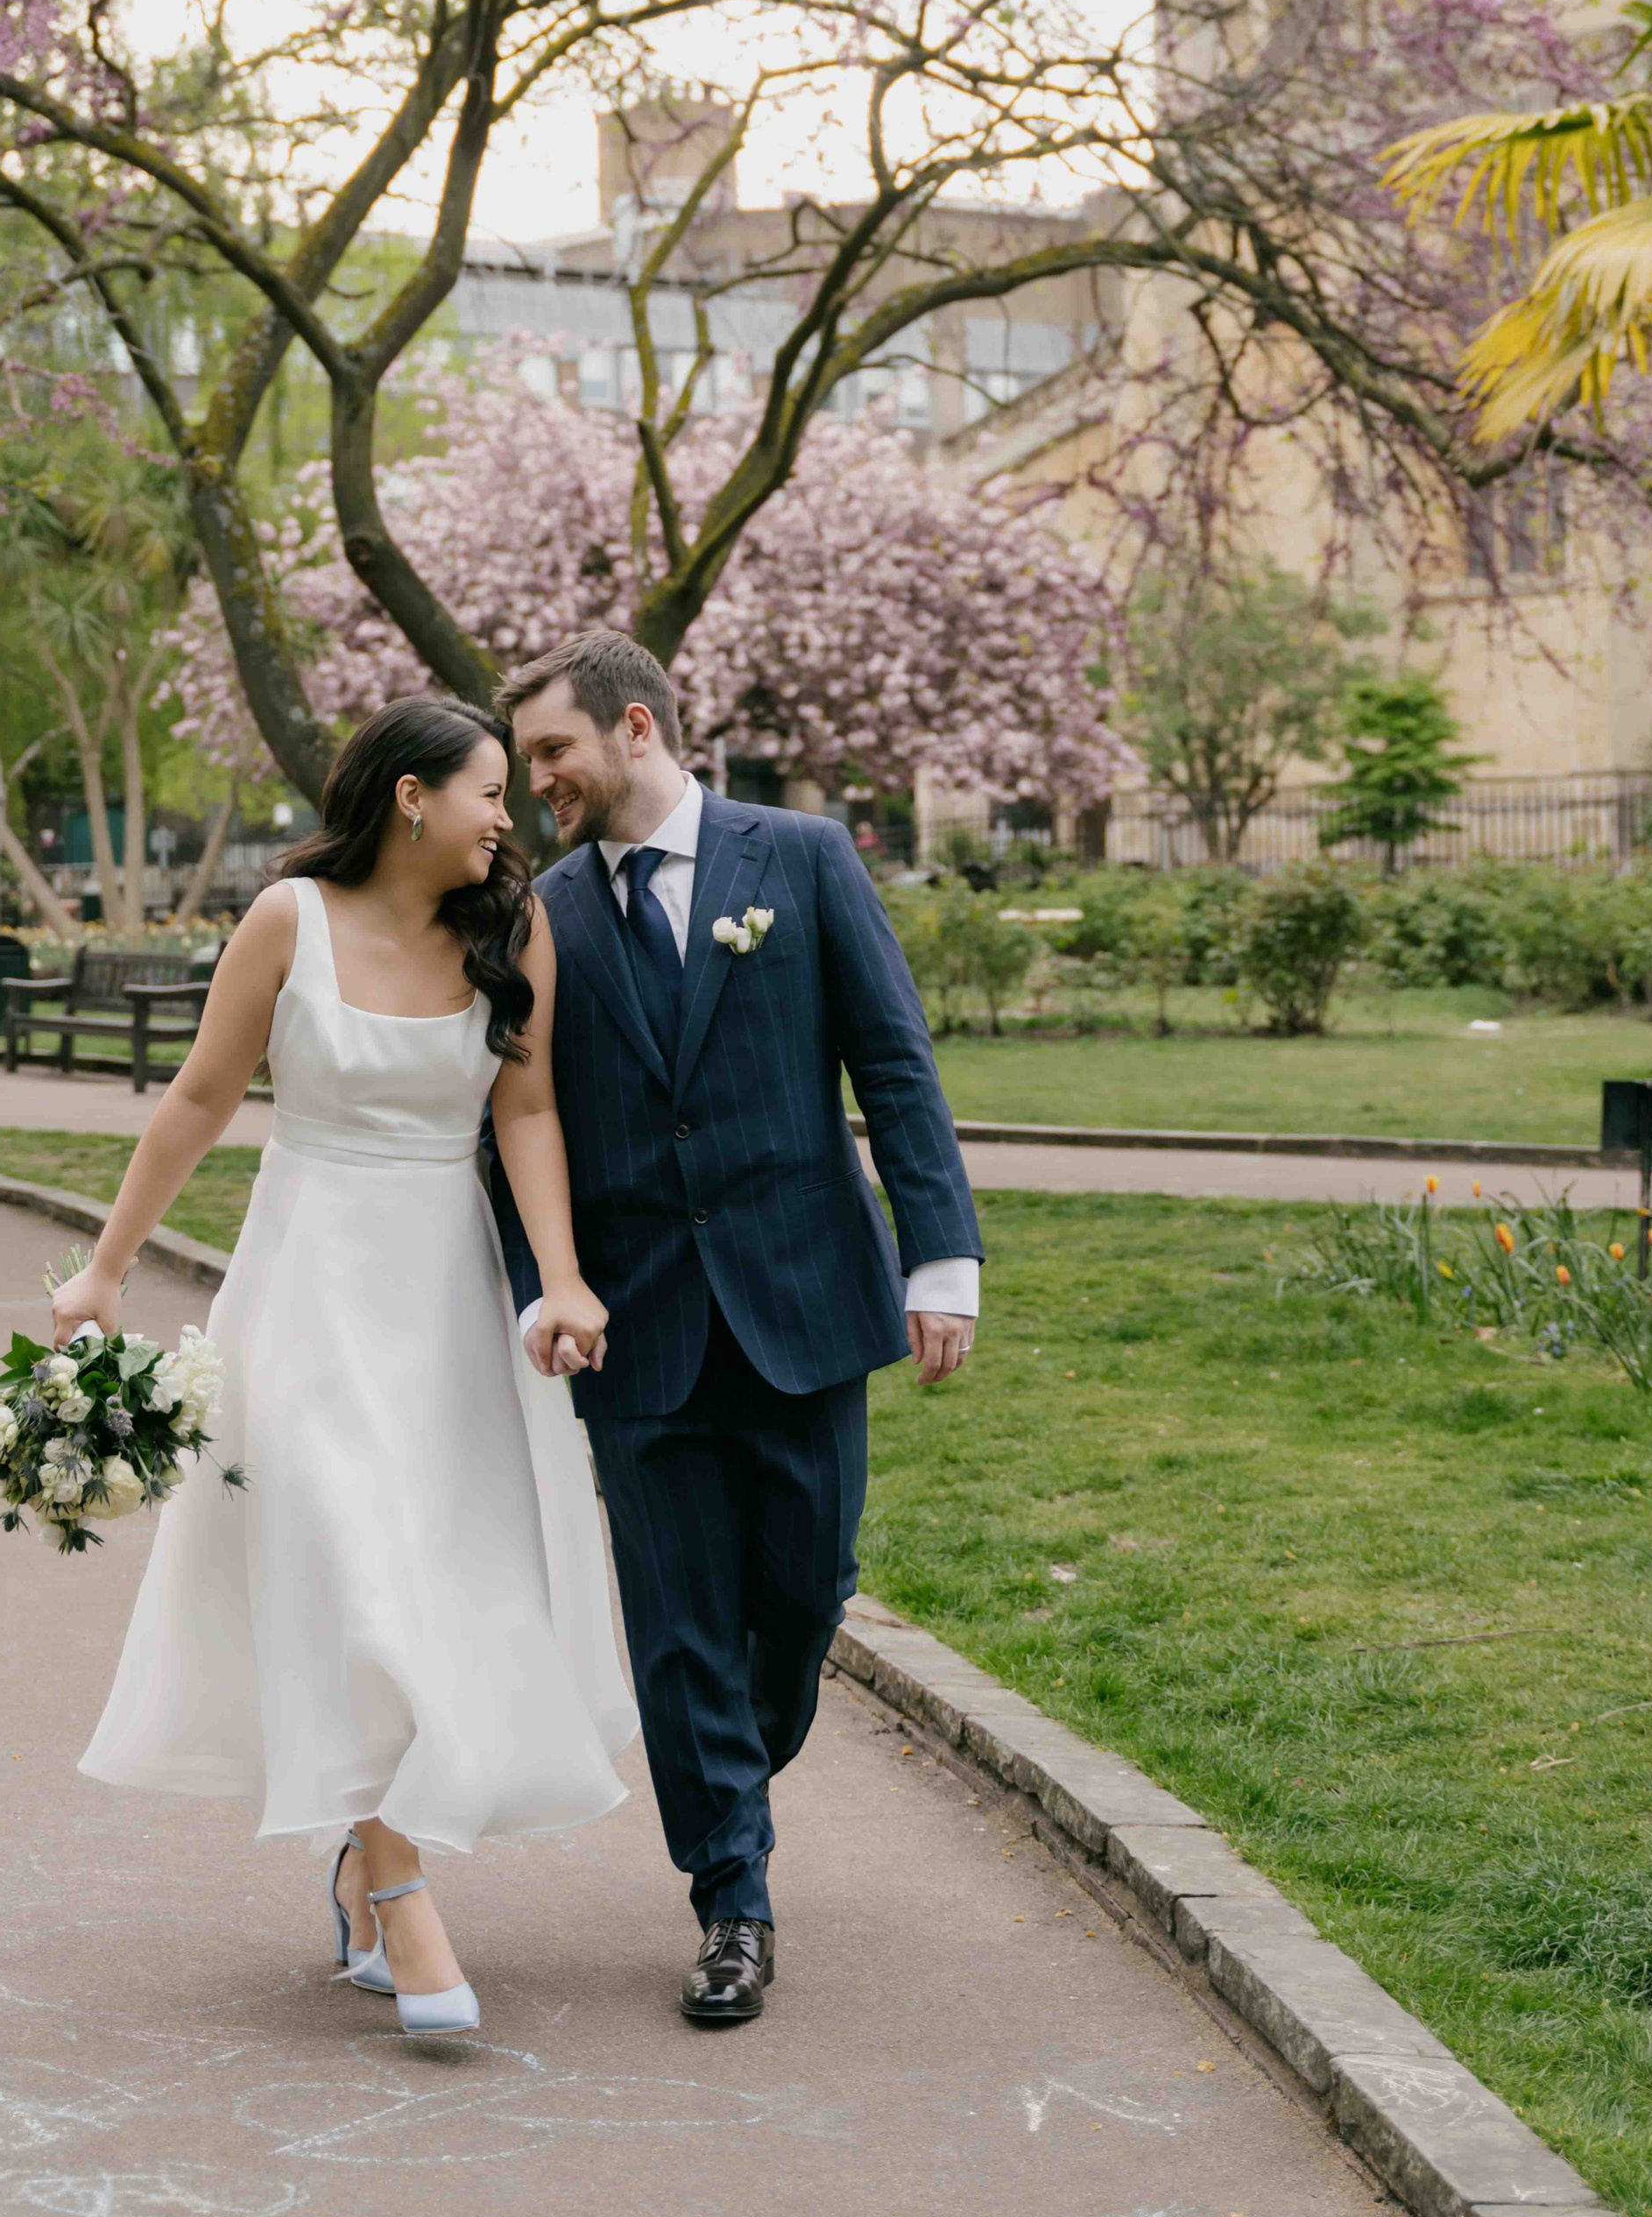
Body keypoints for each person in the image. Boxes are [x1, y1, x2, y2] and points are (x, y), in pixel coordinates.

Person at [53, 695, 636, 2035]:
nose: (510, 813)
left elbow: (527, 1104)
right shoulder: (287, 922)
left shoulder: (512, 925)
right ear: (411, 797)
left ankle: (365, 1863)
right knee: (346, 1567)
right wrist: (102, 1268)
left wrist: (560, 1276)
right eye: (488, 789)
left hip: (443, 1291)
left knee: (435, 1580)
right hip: (306, 1282)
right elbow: (201, 1097)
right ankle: (408, 1892)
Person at [495, 630, 981, 2029]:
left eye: (553, 753)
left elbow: (893, 1060)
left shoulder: (804, 859)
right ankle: (732, 1897)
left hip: (806, 1301)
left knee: (801, 1597)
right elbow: (508, 1121)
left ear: (634, 728)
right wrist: (549, 1280)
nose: (540, 786)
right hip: (634, 1330)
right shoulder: (545, 913)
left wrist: (940, 1258)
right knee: (678, 1624)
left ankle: (729, 1772)